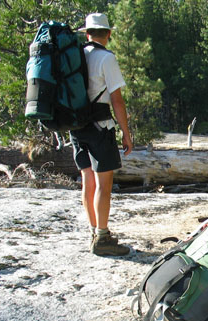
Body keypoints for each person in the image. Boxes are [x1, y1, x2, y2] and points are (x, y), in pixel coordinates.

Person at [69, 13, 134, 256]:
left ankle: (94, 231)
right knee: (103, 184)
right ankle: (103, 238)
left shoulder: (75, 56)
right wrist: (126, 134)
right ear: (108, 34)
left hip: (76, 126)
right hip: (100, 126)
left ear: (87, 34)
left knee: (88, 180)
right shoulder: (106, 58)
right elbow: (117, 101)